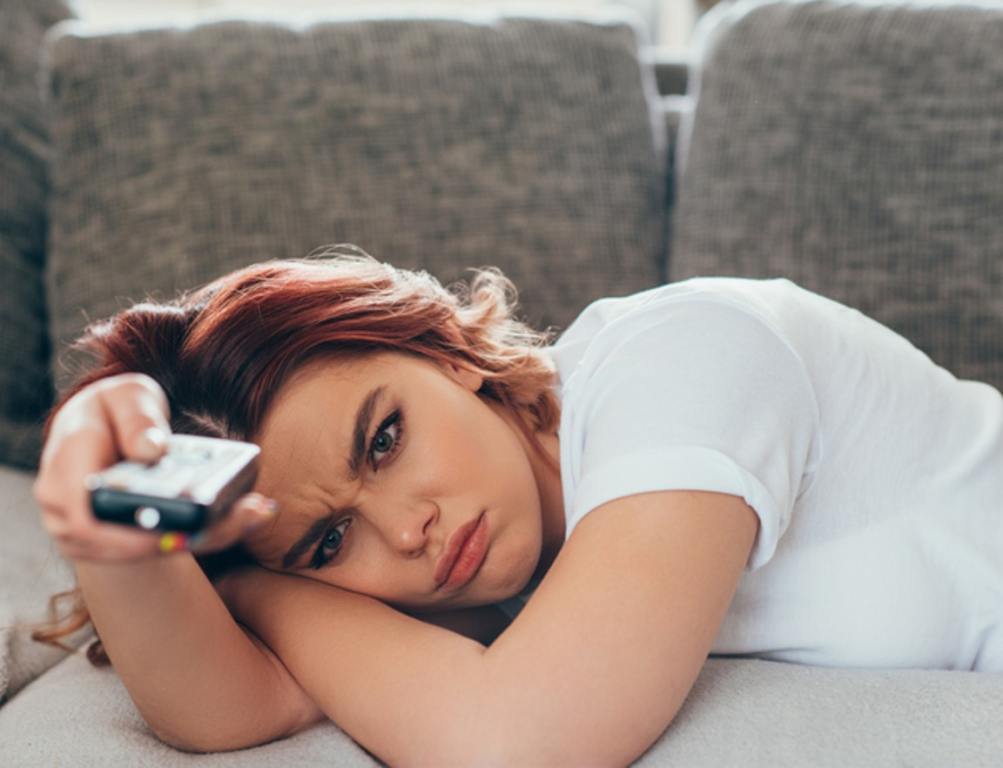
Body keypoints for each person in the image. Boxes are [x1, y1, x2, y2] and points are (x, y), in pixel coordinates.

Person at [29, 243, 1003, 763]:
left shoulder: (685, 356)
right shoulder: (486, 575)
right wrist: (106, 523)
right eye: (330, 541)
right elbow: (229, 709)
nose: (406, 529)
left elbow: (515, 746)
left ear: (445, 355)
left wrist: (262, 590)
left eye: (383, 438)